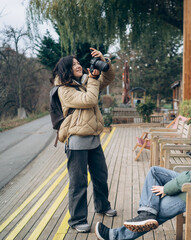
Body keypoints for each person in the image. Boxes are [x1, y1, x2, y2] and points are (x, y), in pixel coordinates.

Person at [95, 107, 191, 240]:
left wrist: (166, 189)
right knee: (155, 172)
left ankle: (115, 235)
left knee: (160, 208)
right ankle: (147, 212)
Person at [52, 48, 117, 233]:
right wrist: (94, 81)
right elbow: (89, 100)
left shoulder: (84, 82)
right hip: (77, 141)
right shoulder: (64, 90)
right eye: (73, 64)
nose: (78, 65)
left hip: (93, 139)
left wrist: (104, 61)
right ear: (66, 69)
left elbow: (109, 78)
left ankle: (102, 206)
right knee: (78, 182)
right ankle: (77, 219)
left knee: (100, 176)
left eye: (78, 62)